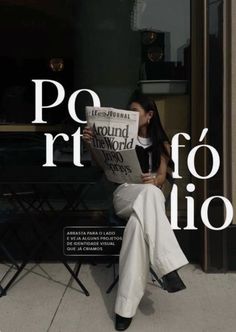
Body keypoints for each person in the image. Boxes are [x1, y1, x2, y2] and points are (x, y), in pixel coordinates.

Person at [83, 91, 189, 331]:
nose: (130, 115)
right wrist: (90, 144)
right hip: (124, 195)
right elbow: (103, 166)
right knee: (149, 196)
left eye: (135, 112)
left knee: (137, 227)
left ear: (149, 115)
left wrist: (155, 179)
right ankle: (168, 267)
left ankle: (125, 309)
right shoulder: (121, 138)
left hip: (148, 199)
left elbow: (162, 178)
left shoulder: (162, 143)